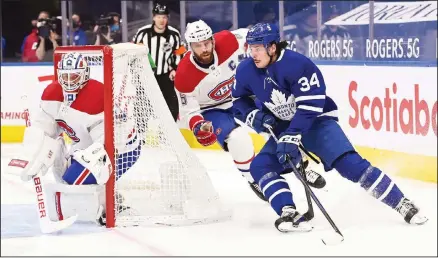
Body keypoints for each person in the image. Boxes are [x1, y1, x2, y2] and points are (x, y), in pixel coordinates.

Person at [232, 23, 429, 232]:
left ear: (272, 47)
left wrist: (292, 134)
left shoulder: (297, 64)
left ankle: (401, 202)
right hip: (283, 127)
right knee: (260, 166)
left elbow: (311, 105)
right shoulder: (246, 70)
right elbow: (239, 100)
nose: (252, 53)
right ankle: (288, 212)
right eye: (250, 48)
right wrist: (254, 115)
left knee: (350, 165)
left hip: (317, 122)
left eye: (257, 48)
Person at [174, 20, 325, 202]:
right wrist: (199, 126)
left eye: (207, 42)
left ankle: (299, 165)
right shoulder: (184, 75)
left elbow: (253, 36)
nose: (204, 49)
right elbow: (189, 111)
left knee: (273, 123)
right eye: (198, 46)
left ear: (213, 40)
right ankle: (255, 179)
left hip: (241, 98)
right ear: (189, 47)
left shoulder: (229, 41)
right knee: (238, 139)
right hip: (211, 110)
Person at [6, 53, 143, 226]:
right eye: (65, 76)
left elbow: (105, 141)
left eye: (74, 76)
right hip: (88, 144)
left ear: (85, 75)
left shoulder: (97, 95)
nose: (69, 81)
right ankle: (106, 195)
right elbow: (44, 129)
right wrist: (33, 153)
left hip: (122, 146)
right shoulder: (52, 93)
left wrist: (88, 162)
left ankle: (112, 204)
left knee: (77, 179)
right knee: (63, 176)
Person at [132, 3, 185, 122]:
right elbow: (133, 54)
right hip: (146, 76)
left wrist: (175, 69)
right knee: (142, 107)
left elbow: (180, 53)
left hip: (166, 77)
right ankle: (142, 134)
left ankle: (169, 132)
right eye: (159, 17)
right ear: (153, 17)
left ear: (168, 18)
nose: (161, 20)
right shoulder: (143, 33)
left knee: (171, 106)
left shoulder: (174, 34)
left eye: (164, 17)